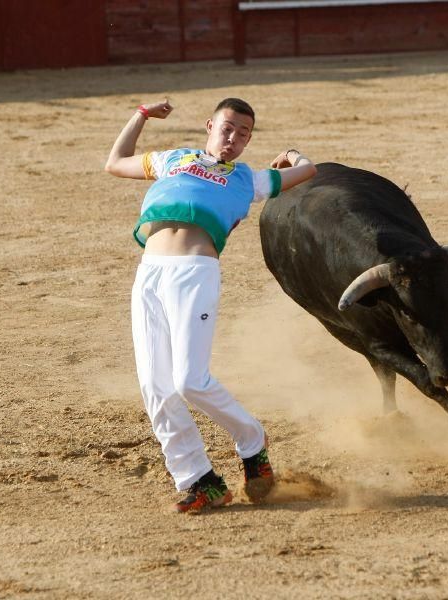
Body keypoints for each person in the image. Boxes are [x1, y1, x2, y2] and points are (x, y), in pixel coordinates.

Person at [105, 98, 317, 512]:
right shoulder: (173, 159)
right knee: (155, 387)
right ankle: (200, 481)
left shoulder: (247, 179)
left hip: (194, 273)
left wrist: (291, 154)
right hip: (150, 271)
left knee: (190, 380)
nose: (234, 138)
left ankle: (252, 441)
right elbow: (115, 162)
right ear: (210, 125)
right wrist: (142, 115)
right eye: (228, 128)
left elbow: (310, 172)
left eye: (244, 134)